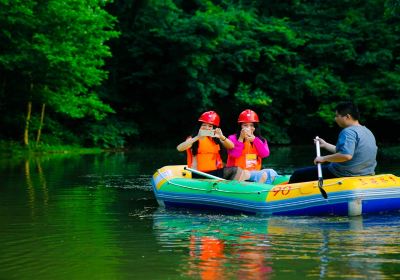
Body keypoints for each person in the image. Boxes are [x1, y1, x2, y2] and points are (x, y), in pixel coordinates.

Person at [289, 101, 378, 183]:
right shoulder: (367, 131)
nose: (335, 119)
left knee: (298, 174)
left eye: (337, 116)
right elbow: (347, 152)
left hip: (343, 174)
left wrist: (324, 158)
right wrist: (325, 145)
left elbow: (346, 155)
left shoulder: (348, 132)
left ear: (347, 116)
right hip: (365, 174)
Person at [177, 111, 248, 180]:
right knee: (235, 170)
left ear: (213, 128)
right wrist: (198, 137)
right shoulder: (193, 138)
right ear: (199, 126)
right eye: (204, 125)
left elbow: (231, 146)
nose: (207, 128)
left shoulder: (215, 138)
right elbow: (179, 148)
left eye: (210, 126)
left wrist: (221, 136)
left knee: (240, 171)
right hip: (199, 174)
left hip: (213, 173)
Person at [226, 109, 278, 184]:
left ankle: (266, 189)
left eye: (251, 125)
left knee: (271, 172)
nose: (248, 128)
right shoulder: (232, 138)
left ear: (255, 127)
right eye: (245, 125)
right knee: (262, 174)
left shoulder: (260, 140)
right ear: (240, 126)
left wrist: (255, 140)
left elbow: (265, 154)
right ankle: (256, 190)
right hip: (238, 173)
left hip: (254, 172)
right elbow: (235, 154)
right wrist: (241, 138)